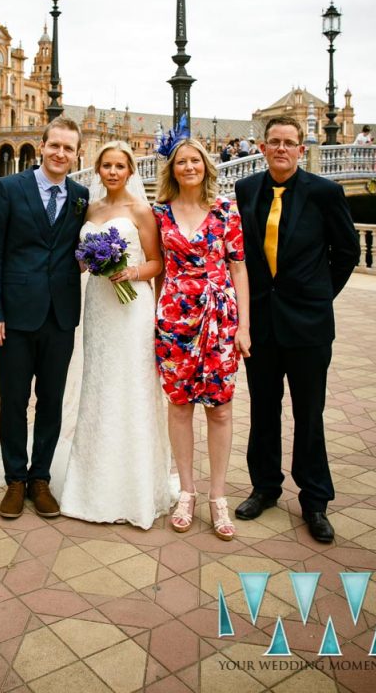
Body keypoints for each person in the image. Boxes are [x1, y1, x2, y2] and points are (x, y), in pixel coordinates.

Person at [234, 116, 360, 543]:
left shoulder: (325, 193)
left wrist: (318, 296)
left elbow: (346, 253)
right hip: (261, 325)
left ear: (301, 150)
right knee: (263, 411)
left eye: (290, 142)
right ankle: (265, 487)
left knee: (309, 414)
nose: (282, 148)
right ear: (263, 146)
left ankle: (315, 501)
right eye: (275, 142)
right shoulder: (247, 189)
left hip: (308, 327)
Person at [0, 117, 89, 519]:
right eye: (54, 145)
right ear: (41, 146)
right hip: (13, 316)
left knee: (51, 401)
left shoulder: (81, 195)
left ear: (77, 153)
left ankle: (40, 478)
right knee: (13, 400)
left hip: (60, 316)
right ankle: (14, 479)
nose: (61, 153)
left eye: (69, 148)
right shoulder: (8, 189)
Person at [60, 141, 173, 529]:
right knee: (99, 385)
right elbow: (77, 259)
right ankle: (92, 483)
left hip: (132, 308)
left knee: (132, 386)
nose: (112, 172)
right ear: (98, 170)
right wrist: (88, 260)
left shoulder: (141, 210)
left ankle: (135, 486)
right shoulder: (90, 210)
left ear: (130, 171)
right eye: (105, 166)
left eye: (119, 166)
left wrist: (131, 272)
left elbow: (157, 262)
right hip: (98, 307)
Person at [154, 137, 250, 539]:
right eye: (181, 162)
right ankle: (187, 493)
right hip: (175, 318)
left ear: (206, 166)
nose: (188, 167)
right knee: (179, 407)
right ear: (172, 169)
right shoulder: (159, 213)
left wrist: (244, 326)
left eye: (195, 161)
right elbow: (158, 268)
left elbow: (239, 270)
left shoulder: (226, 210)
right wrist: (152, 317)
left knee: (220, 409)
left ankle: (218, 497)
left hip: (219, 318)